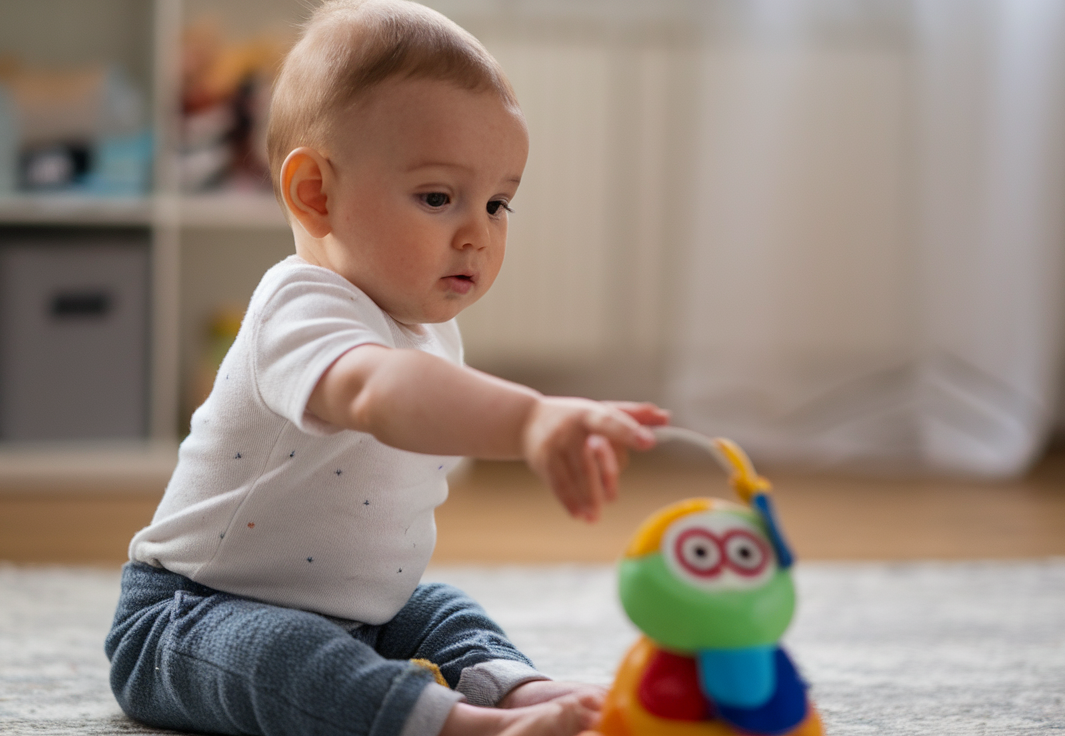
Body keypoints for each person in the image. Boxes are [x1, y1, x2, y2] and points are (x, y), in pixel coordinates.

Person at [105, 1, 668, 734]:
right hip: (190, 619)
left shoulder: (427, 329)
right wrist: (530, 418)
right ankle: (458, 726)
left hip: (359, 613)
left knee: (439, 609)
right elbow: (375, 391)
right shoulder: (299, 306)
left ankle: (518, 689)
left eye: (499, 203)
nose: (478, 233)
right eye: (439, 197)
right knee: (285, 650)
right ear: (317, 194)